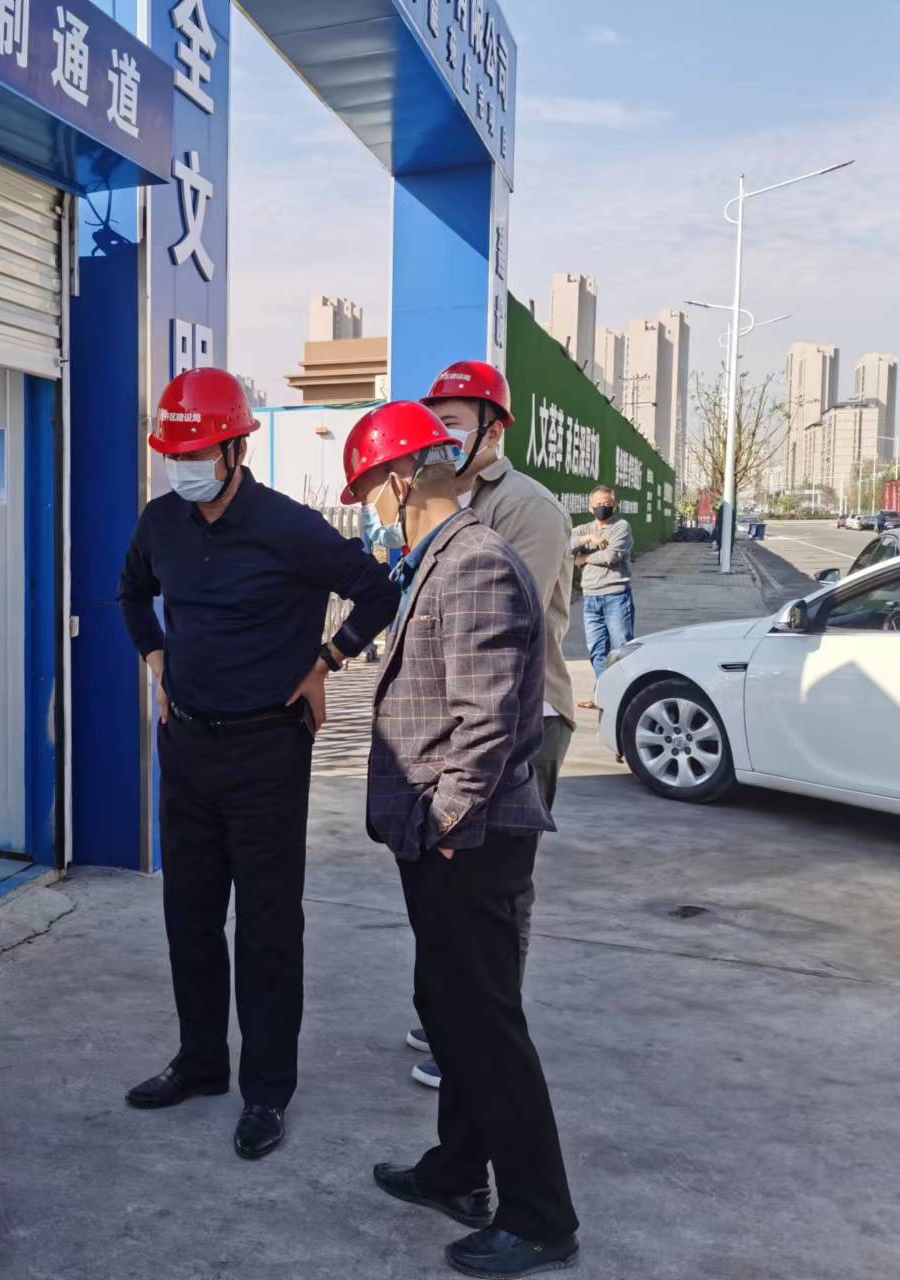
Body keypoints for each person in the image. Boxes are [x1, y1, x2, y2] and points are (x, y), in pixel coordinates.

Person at [118, 368, 399, 1161]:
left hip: (268, 751)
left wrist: (327, 662)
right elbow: (131, 594)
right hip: (187, 748)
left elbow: (378, 591)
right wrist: (157, 659)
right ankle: (201, 1061)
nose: (185, 467)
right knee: (189, 916)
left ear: (236, 449)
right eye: (174, 454)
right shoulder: (160, 523)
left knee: (269, 928)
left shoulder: (289, 528)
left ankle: (267, 1090)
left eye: (199, 453)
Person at [344, 401, 579, 1278]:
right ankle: (456, 1173)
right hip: (446, 836)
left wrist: (444, 823)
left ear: (403, 480)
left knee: (485, 1026)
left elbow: (487, 723)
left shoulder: (474, 563)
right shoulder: (442, 556)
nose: (369, 508)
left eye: (370, 490)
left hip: (469, 841)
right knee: (451, 1010)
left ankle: (540, 1217)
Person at [407, 361, 575, 1090]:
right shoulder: (437, 498)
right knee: (449, 889)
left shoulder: (528, 509)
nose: (440, 437)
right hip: (455, 719)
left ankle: (483, 1038)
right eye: (434, 423)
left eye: (454, 422)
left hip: (518, 722)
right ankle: (453, 1013)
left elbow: (498, 628)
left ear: (494, 430)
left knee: (497, 892)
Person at [571, 485, 635, 707]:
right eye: (597, 504)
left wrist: (584, 558)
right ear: (590, 507)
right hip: (591, 598)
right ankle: (604, 696)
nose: (602, 508)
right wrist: (588, 538)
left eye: (606, 504)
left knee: (621, 650)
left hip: (616, 597)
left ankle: (626, 698)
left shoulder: (621, 527)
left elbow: (612, 556)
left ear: (615, 505)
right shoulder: (584, 530)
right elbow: (565, 546)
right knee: (597, 651)